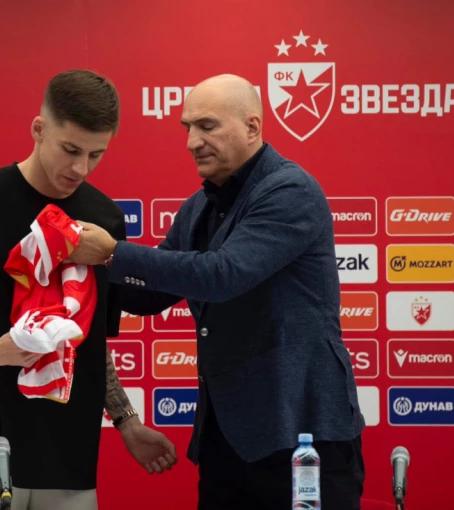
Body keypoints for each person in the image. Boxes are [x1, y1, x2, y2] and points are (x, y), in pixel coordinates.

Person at [66, 74, 366, 510]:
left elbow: (223, 276)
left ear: (252, 127)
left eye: (207, 126)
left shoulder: (290, 190)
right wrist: (67, 264)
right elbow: (148, 296)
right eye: (187, 127)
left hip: (302, 434)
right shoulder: (200, 205)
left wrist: (112, 252)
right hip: (227, 440)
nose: (192, 141)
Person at [0, 69, 177, 510]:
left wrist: (126, 419)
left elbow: (91, 343)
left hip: (67, 457)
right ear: (38, 129)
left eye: (96, 154)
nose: (81, 168)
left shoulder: (105, 219)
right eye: (71, 150)